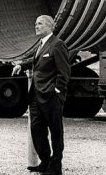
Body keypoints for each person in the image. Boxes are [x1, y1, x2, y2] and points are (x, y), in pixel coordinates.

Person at [12, 15, 71, 175]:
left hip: (51, 97)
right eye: (35, 23)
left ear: (50, 26)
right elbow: (37, 61)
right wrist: (21, 65)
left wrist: (57, 91)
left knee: (56, 131)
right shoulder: (42, 45)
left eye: (40, 24)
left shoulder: (58, 45)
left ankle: (56, 166)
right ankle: (45, 162)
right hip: (36, 97)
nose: (36, 26)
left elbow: (64, 72)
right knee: (37, 130)